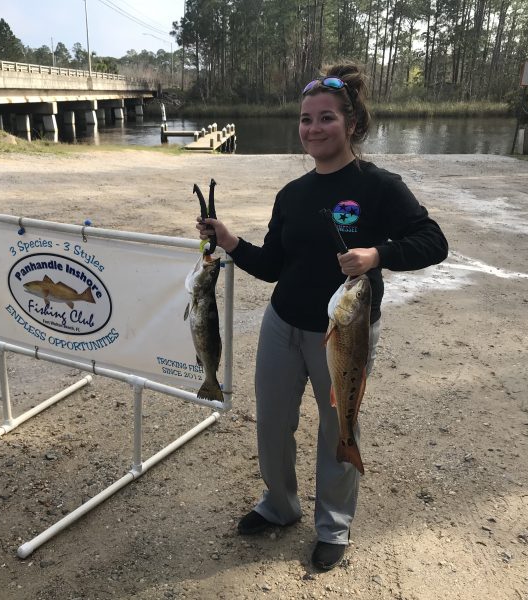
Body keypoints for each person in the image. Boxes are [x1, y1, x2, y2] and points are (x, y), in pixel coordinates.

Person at [196, 62, 448, 571]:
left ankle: (333, 524)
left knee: (339, 426)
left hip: (344, 333)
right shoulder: (291, 194)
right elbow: (271, 266)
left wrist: (377, 254)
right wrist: (231, 242)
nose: (313, 128)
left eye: (326, 118)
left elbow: (433, 243)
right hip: (281, 324)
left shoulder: (379, 186)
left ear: (351, 124)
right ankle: (280, 505)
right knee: (272, 423)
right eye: (306, 120)